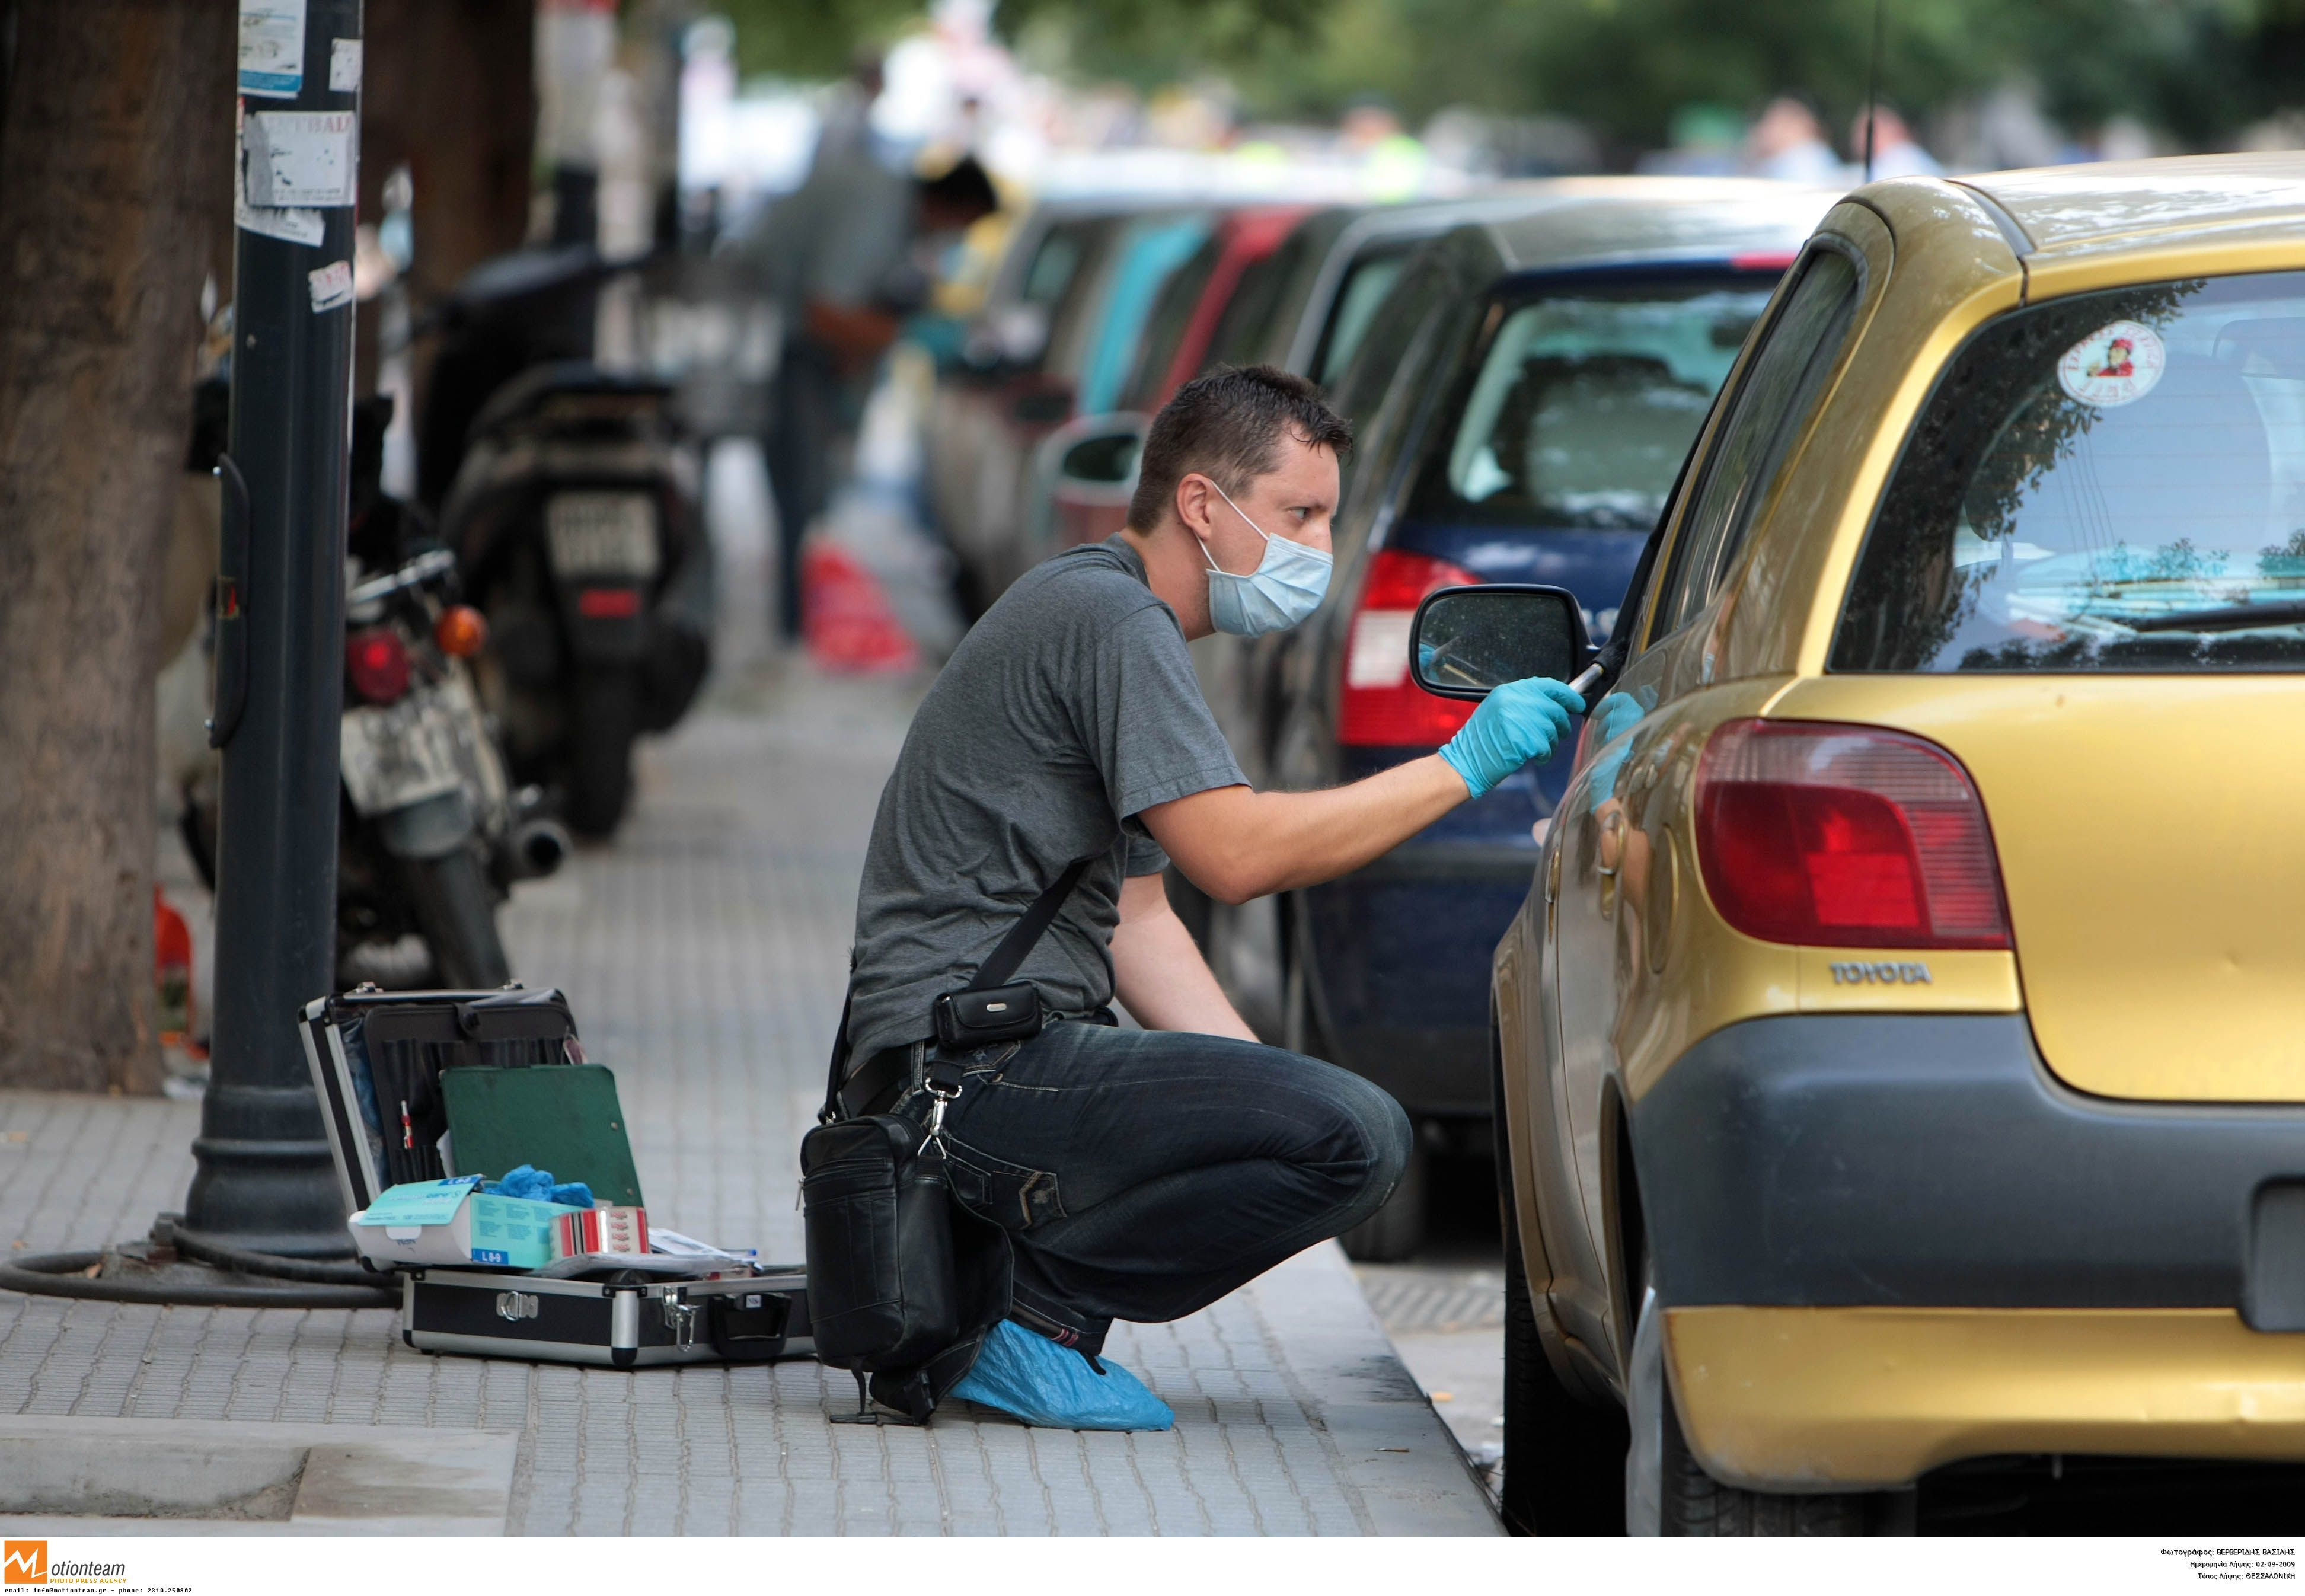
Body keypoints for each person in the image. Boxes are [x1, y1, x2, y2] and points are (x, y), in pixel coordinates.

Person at [835, 366, 1585, 1427]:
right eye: (1298, 514)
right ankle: (1027, 1315)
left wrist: (1255, 1099)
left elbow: (1140, 922)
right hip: (967, 1072)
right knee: (1356, 1134)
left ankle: (1008, 1293)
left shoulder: (1092, 606)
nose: (1317, 548)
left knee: (1323, 1125)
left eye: (1326, 516)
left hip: (950, 1064)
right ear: (1201, 504)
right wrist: (1463, 764)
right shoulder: (1111, 620)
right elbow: (1233, 856)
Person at [747, 152, 998, 641]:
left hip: (795, 346)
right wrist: (905, 334)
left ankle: (797, 619)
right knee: (800, 491)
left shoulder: (895, 213)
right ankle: (793, 624)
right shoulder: (876, 211)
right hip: (770, 342)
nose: (957, 240)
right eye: (963, 226)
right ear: (952, 204)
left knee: (810, 491)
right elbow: (825, 313)